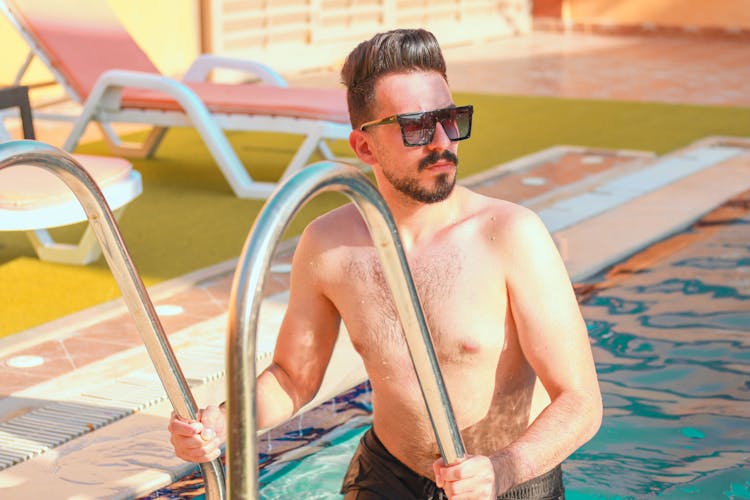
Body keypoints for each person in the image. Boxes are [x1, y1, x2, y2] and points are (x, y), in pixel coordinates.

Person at [168, 28, 602, 499]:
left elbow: (581, 401)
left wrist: (501, 469)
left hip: (509, 479)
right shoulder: (329, 246)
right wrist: (222, 422)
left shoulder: (511, 236)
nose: (442, 142)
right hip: (388, 477)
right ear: (364, 148)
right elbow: (294, 376)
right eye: (417, 126)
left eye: (450, 119)